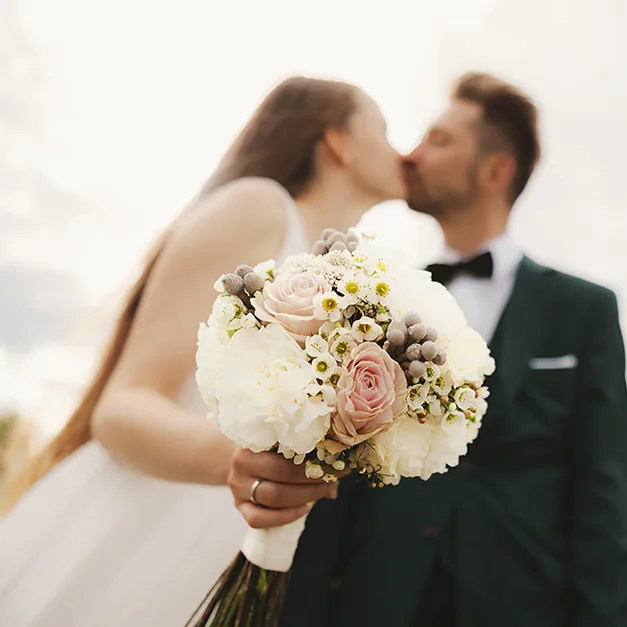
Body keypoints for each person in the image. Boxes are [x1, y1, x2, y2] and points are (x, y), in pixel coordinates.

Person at [0, 76, 405, 627]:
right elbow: (121, 407)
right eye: (383, 129)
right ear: (340, 141)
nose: (402, 152)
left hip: (223, 546)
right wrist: (240, 463)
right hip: (136, 527)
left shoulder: (355, 278)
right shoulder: (259, 207)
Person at [247, 72, 627, 626]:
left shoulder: (583, 310)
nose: (412, 155)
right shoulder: (375, 301)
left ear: (494, 171)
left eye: (439, 140)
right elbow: (338, 477)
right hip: (377, 605)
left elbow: (605, 489)